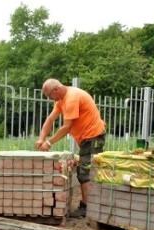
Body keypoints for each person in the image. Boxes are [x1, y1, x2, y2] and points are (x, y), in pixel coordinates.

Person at [35, 78, 106, 218]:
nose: (50, 99)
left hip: (93, 136)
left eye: (50, 96)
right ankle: (92, 204)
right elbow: (50, 120)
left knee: (85, 172)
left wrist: (48, 143)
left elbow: (66, 128)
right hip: (87, 138)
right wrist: (41, 138)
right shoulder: (61, 100)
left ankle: (87, 207)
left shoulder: (72, 99)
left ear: (56, 89)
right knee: (85, 169)